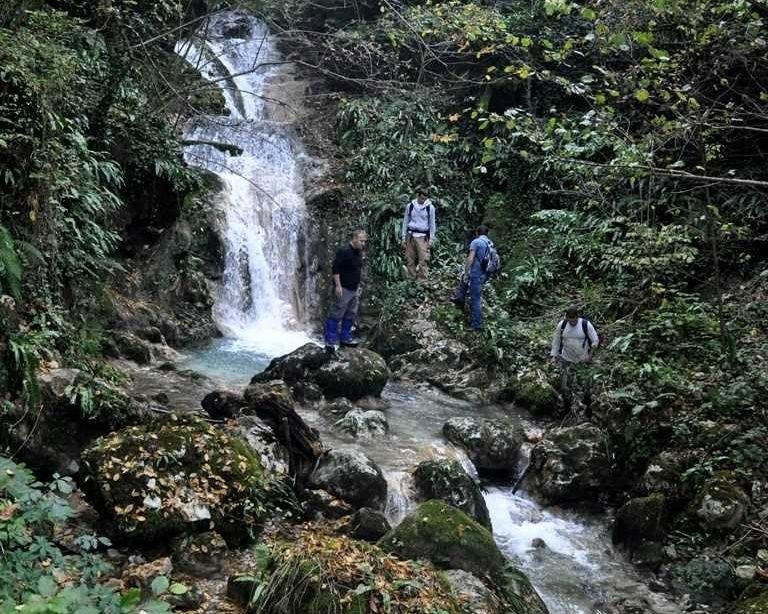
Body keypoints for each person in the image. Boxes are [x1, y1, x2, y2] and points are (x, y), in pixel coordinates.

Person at [549, 306, 599, 418]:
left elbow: (595, 341)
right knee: (565, 385)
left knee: (585, 386)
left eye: (574, 320)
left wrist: (590, 356)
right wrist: (553, 356)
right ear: (566, 318)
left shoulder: (585, 325)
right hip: (565, 358)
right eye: (569, 320)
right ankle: (566, 409)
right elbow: (556, 341)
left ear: (577, 317)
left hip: (582, 360)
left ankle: (588, 410)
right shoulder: (562, 325)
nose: (572, 322)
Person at [324, 230, 367, 351]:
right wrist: (338, 286)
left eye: (364, 241)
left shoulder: (359, 252)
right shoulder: (344, 251)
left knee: (350, 314)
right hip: (344, 288)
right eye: (361, 241)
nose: (363, 243)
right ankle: (330, 340)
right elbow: (335, 269)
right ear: (354, 238)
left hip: (354, 289)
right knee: (337, 313)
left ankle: (345, 338)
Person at [452, 225, 492, 330]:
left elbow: (470, 258)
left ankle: (477, 324)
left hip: (476, 273)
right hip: (485, 273)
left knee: (475, 298)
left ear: (477, 233)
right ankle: (460, 298)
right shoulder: (490, 243)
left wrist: (466, 272)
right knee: (463, 279)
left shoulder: (476, 242)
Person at [401, 189, 436, 280]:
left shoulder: (430, 208)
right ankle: (411, 278)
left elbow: (432, 224)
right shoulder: (410, 206)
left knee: (423, 260)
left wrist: (431, 239)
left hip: (423, 236)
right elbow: (406, 221)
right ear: (418, 196)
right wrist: (403, 237)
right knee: (409, 259)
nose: (422, 200)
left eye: (424, 198)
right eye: (421, 198)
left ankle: (422, 281)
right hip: (411, 234)